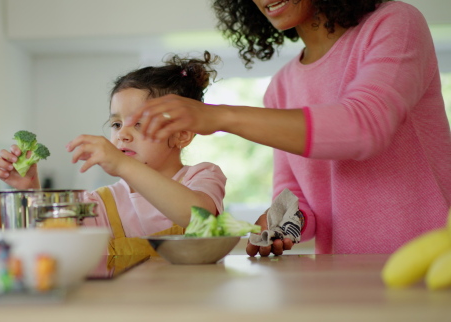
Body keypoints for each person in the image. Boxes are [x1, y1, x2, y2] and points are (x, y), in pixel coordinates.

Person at [123, 0, 451, 256]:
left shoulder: (395, 23)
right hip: (343, 276)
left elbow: (363, 128)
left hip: (431, 260)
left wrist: (219, 116)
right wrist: (280, 227)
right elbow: (297, 202)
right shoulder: (281, 88)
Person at [0, 52, 227, 256]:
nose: (122, 134)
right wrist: (29, 189)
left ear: (182, 135)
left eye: (139, 124)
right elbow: (53, 241)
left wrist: (123, 165)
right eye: (116, 124)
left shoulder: (203, 177)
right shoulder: (102, 203)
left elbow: (199, 218)